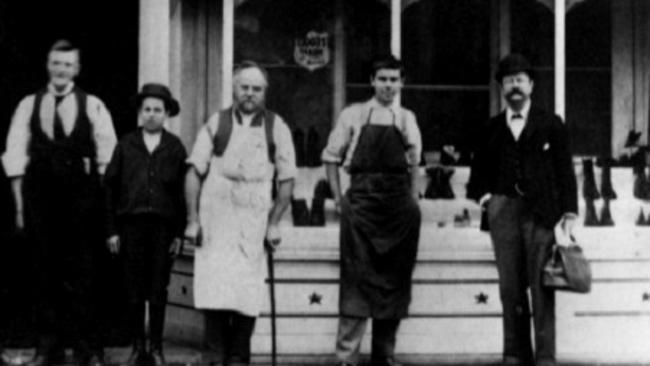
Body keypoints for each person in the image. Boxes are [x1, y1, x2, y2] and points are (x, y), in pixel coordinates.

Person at [1, 39, 117, 366]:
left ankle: (87, 350)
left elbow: (107, 161)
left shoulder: (93, 105)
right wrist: (21, 208)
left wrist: (101, 206)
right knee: (43, 272)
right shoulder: (28, 105)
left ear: (77, 69)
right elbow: (15, 158)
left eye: (67, 64)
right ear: (47, 66)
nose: (61, 70)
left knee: (84, 274)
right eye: (56, 63)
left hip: (82, 203)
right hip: (40, 201)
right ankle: (47, 348)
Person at [466, 53, 578, 366]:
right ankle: (514, 353)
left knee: (542, 287)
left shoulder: (550, 124)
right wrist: (490, 200)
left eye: (520, 79)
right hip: (504, 215)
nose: (515, 85)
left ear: (531, 85)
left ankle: (545, 356)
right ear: (501, 87)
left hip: (542, 214)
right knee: (509, 288)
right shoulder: (490, 128)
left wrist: (569, 212)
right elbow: (476, 180)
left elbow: (565, 172)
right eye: (509, 80)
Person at [183, 61, 296, 366]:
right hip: (216, 213)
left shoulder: (277, 126)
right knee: (215, 285)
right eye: (244, 87)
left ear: (265, 92)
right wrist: (193, 221)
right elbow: (194, 171)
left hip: (253, 213)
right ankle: (215, 355)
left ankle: (238, 357)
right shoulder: (217, 122)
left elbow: (286, 181)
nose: (249, 94)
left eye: (256, 89)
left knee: (246, 289)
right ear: (234, 88)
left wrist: (274, 224)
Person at [321, 55, 422, 366]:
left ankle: (385, 355)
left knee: (394, 282)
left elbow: (415, 164)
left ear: (402, 83)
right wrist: (339, 199)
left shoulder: (406, 118)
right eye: (382, 79)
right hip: (361, 206)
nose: (388, 86)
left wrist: (413, 202)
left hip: (397, 211)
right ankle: (346, 358)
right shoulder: (353, 115)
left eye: (394, 80)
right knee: (356, 281)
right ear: (372, 81)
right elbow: (330, 158)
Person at [104, 83, 187, 366]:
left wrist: (179, 233)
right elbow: (110, 188)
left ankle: (157, 348)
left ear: (166, 114)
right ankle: (138, 347)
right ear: (140, 112)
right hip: (131, 226)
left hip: (163, 228)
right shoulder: (127, 144)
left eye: (158, 110)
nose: (152, 115)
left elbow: (182, 193)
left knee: (158, 288)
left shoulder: (174, 147)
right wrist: (112, 230)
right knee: (134, 287)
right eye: (147, 109)